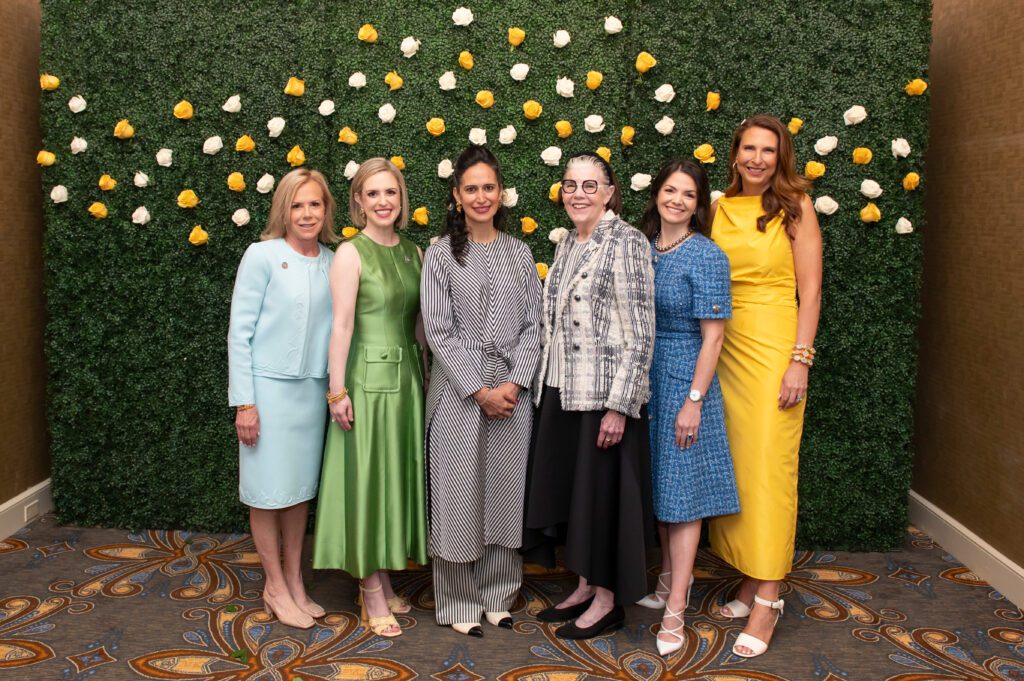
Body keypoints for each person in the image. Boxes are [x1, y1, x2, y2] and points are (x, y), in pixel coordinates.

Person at [522, 151, 656, 640]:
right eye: (570, 185)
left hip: (603, 398)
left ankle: (607, 600)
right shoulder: (566, 243)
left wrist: (620, 407)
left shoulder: (626, 241)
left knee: (601, 499)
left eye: (589, 185)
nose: (578, 194)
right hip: (561, 390)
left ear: (610, 192)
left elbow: (641, 332)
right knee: (577, 497)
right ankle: (583, 585)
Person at [707, 114, 823, 658]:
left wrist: (799, 361)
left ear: (781, 158)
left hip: (775, 346)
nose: (757, 159)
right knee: (740, 469)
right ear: (735, 154)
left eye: (768, 151)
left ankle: (769, 599)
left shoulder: (796, 207)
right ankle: (751, 577)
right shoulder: (719, 208)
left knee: (772, 470)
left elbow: (811, 290)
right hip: (724, 349)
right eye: (749, 149)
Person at [420, 146, 543, 637]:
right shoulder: (439, 254)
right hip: (457, 394)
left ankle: (498, 595)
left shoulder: (519, 253)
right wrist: (479, 390)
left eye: (488, 187)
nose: (480, 196)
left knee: (504, 497)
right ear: (457, 195)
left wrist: (513, 383)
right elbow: (438, 330)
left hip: (512, 395)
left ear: (500, 192)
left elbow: (535, 325)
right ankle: (456, 601)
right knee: (458, 498)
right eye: (471, 188)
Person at [313, 158, 428, 638]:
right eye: (373, 193)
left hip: (408, 385)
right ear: (359, 201)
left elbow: (420, 325)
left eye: (391, 193)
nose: (383, 202)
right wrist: (336, 390)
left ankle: (383, 577)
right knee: (366, 481)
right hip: (364, 384)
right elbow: (340, 326)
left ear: (401, 199)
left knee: (391, 480)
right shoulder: (349, 253)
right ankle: (371, 589)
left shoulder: (414, 251)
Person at [635, 159, 739, 656]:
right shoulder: (643, 246)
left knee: (683, 497)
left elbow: (714, 338)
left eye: (688, 194)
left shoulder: (708, 256)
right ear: (657, 194)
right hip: (645, 379)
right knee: (661, 487)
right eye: (670, 191)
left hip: (685, 379)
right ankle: (666, 580)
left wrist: (693, 401)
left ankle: (677, 606)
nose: (677, 200)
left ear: (699, 204)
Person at [227, 168, 339, 629]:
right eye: (297, 205)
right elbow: (240, 333)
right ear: (283, 211)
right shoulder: (262, 256)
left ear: (326, 209)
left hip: (311, 394)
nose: (307, 213)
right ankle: (274, 585)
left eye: (315, 204)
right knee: (266, 493)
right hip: (267, 392)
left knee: (297, 493)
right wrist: (245, 403)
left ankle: (294, 581)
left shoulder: (334, 260)